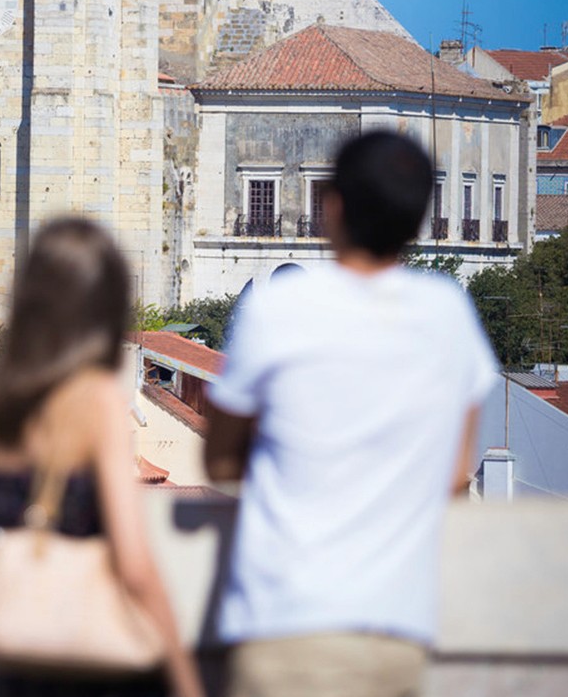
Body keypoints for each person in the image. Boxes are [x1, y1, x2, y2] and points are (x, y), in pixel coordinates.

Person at [204, 131, 499, 697]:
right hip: (394, 631)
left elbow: (218, 459)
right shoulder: (447, 313)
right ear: (417, 220)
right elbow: (458, 473)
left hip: (281, 624)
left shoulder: (278, 307)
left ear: (331, 206)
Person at [0, 218, 205, 697]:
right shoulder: (96, 400)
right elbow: (134, 564)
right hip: (92, 662)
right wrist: (184, 676)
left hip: (18, 659)